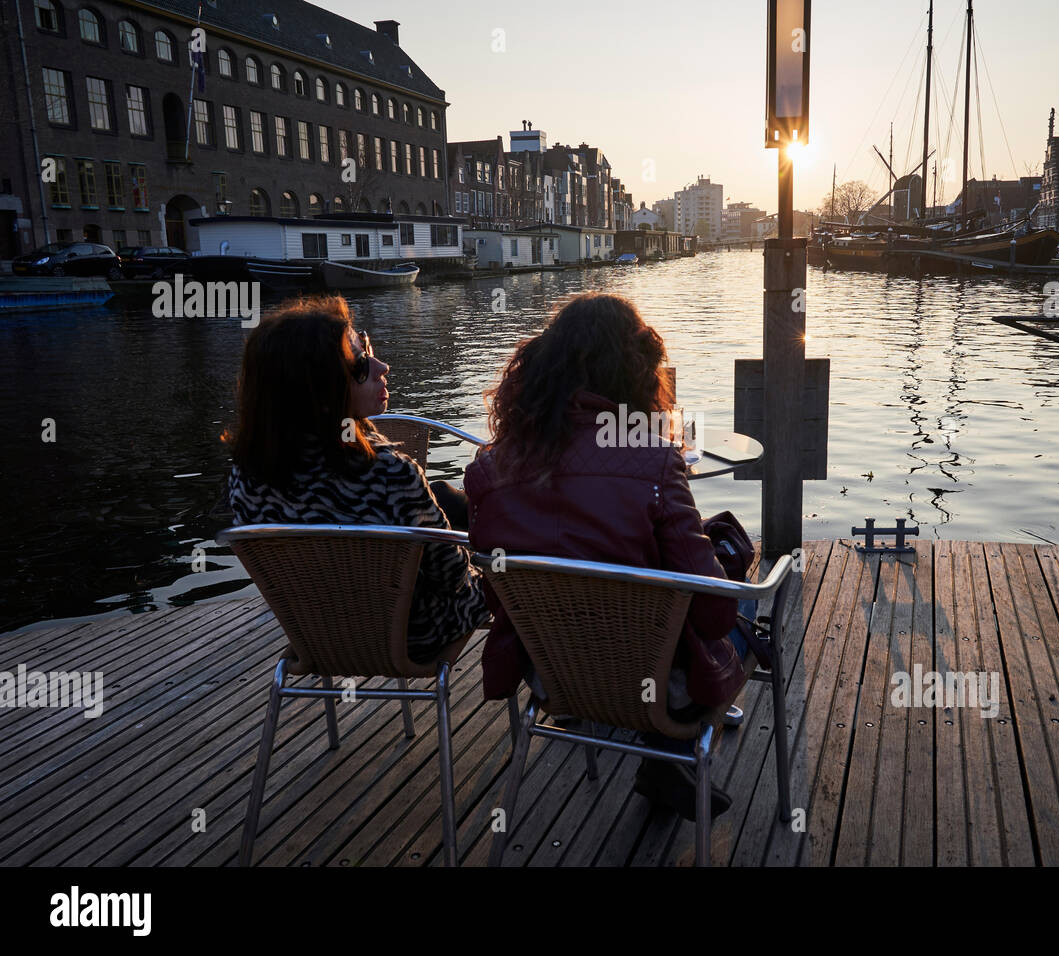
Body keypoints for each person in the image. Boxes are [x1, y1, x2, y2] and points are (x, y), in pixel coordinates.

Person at [465, 291, 750, 820]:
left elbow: (494, 592)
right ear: (636, 369)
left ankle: (663, 755)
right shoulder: (656, 462)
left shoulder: (487, 470)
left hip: (551, 676)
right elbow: (716, 612)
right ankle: (669, 753)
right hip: (658, 683)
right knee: (742, 599)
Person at [224, 296, 487, 662]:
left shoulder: (246, 476)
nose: (383, 366)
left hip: (316, 638)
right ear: (320, 388)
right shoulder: (391, 475)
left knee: (443, 496)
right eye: (361, 364)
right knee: (512, 564)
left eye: (368, 349)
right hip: (417, 636)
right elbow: (453, 576)